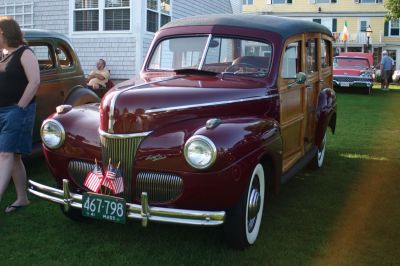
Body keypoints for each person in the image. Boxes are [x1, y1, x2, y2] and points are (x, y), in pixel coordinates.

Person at [0, 16, 40, 213]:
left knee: (6, 154)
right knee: (13, 157)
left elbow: (34, 82)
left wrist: (19, 108)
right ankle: (22, 198)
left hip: (17, 110)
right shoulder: (3, 54)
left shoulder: (25, 53)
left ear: (2, 33)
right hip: (3, 110)